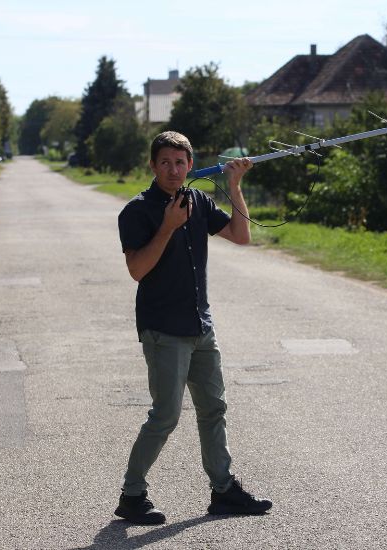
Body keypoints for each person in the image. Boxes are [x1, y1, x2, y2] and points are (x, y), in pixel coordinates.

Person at [114, 131, 272, 525]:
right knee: (165, 416)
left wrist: (234, 186)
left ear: (189, 165)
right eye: (165, 162)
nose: (173, 169)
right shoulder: (137, 211)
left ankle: (223, 491)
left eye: (180, 162)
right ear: (153, 166)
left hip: (200, 325)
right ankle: (132, 496)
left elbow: (241, 236)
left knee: (213, 408)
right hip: (163, 329)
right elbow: (137, 270)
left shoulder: (199, 200)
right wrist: (167, 227)